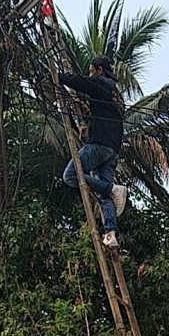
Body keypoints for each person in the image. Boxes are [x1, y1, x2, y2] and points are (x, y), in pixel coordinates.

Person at [59, 55, 127, 249]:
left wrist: (59, 77)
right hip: (113, 149)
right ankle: (110, 233)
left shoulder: (101, 84)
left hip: (98, 144)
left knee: (70, 175)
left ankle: (112, 188)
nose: (90, 75)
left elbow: (80, 83)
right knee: (104, 193)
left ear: (98, 71)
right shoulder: (116, 93)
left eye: (91, 71)